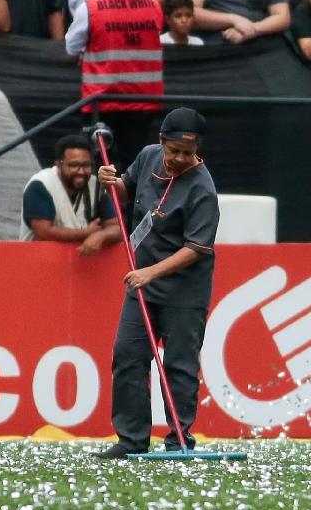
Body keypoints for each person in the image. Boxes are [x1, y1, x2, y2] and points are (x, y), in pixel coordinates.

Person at [93, 108, 220, 458]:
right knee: (128, 356)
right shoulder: (149, 156)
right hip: (141, 287)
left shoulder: (202, 189)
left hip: (183, 290)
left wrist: (151, 272)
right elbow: (124, 191)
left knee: (179, 365)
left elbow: (196, 248)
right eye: (174, 151)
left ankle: (179, 440)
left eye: (187, 153)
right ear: (162, 141)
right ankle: (131, 439)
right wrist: (110, 181)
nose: (179, 159)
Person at [66, 0, 165, 159]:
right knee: (138, 169)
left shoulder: (91, 8)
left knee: (104, 171)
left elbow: (71, 47)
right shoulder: (154, 7)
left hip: (102, 104)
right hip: (144, 103)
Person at [21, 133, 117, 252]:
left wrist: (101, 236)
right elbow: (43, 232)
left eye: (86, 165)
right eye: (74, 165)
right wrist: (86, 233)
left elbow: (116, 227)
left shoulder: (95, 185)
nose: (81, 171)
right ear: (58, 165)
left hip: (84, 262)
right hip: (40, 260)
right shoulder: (41, 184)